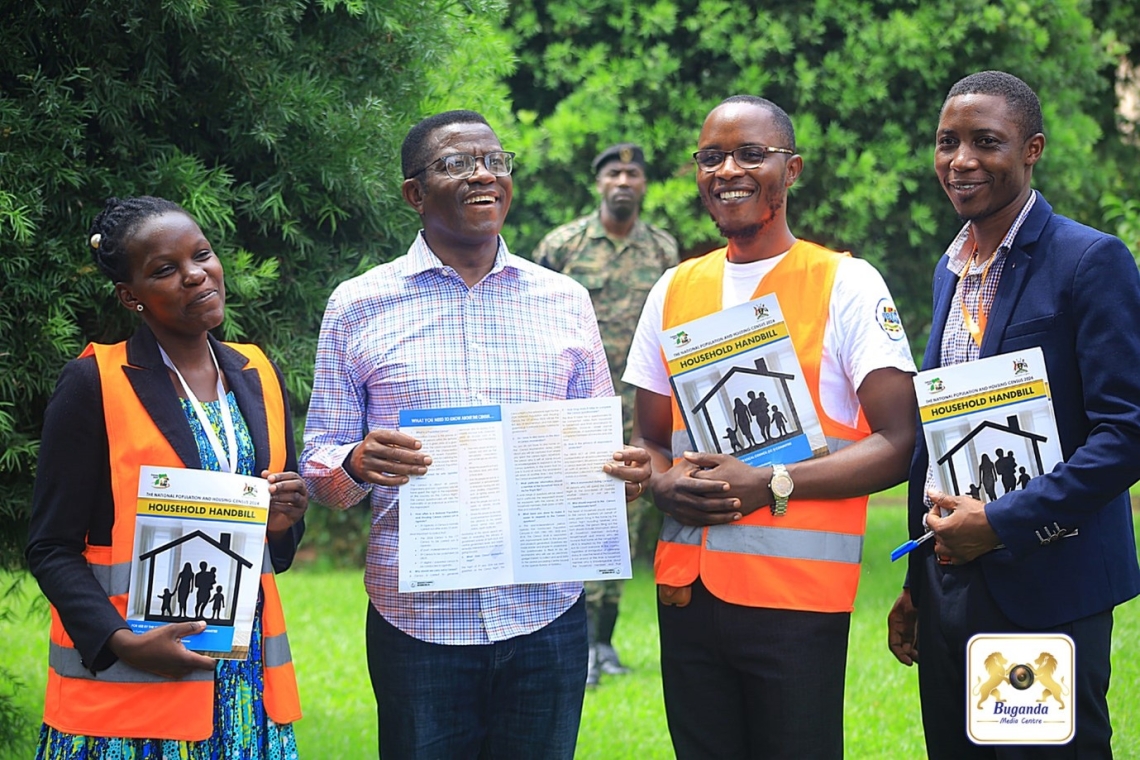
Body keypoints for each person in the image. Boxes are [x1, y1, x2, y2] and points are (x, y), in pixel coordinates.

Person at [298, 110, 651, 759]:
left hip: (546, 616)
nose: (484, 173)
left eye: (495, 160)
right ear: (415, 193)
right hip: (419, 624)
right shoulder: (357, 304)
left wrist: (618, 478)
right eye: (457, 163)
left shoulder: (564, 299)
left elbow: (597, 450)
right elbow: (321, 465)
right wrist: (354, 461)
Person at [624, 95, 917, 758]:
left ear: (792, 169)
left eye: (751, 154)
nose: (729, 169)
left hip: (796, 603)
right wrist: (663, 486)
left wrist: (769, 483)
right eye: (711, 157)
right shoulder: (672, 289)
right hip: (687, 596)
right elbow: (649, 439)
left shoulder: (845, 283)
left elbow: (900, 443)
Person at [887, 70, 1140, 759]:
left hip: (1046, 581)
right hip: (949, 582)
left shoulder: (1089, 261)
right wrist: (918, 581)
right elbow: (938, 433)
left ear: (1032, 149)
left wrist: (999, 524)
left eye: (985, 141)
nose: (961, 160)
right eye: (947, 142)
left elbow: (1127, 433)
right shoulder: (951, 270)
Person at [25, 195, 307, 756]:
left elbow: (277, 553)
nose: (195, 275)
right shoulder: (93, 383)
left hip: (245, 687)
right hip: (131, 680)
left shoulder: (257, 373)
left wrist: (282, 520)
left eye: (201, 255)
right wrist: (122, 643)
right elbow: (50, 547)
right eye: (165, 269)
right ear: (131, 296)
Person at [534, 141, 678, 684]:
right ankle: (573, 640)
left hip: (638, 408)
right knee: (571, 517)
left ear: (644, 185)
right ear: (598, 184)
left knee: (623, 521)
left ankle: (604, 643)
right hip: (572, 407)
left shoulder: (663, 250)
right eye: (613, 173)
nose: (623, 181)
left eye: (633, 173)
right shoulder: (563, 245)